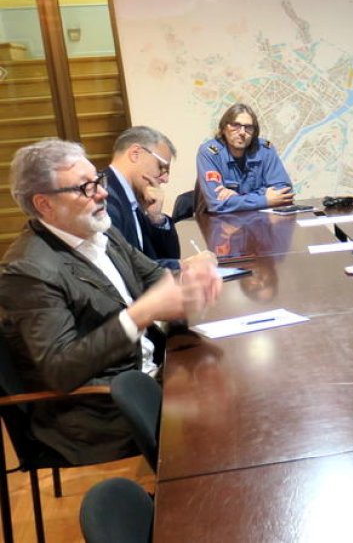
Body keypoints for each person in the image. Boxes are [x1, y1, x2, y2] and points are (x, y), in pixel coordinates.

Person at [0, 139, 221, 465]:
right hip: (99, 411)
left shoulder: (99, 229)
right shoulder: (28, 271)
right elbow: (60, 370)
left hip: (150, 372)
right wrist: (140, 315)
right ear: (44, 204)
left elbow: (153, 276)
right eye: (85, 188)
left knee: (235, 383)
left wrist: (189, 281)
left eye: (98, 180)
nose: (102, 193)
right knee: (222, 421)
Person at [103, 126, 181, 268]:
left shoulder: (134, 197)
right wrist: (185, 266)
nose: (165, 178)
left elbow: (165, 256)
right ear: (135, 153)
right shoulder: (103, 198)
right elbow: (125, 267)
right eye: (162, 167)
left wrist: (155, 218)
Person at [197, 102, 294, 213]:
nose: (242, 132)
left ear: (254, 132)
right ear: (224, 128)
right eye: (235, 125)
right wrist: (264, 199)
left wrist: (238, 197)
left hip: (257, 221)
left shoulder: (265, 149)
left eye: (248, 127)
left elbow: (284, 192)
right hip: (219, 223)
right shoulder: (210, 153)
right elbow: (216, 203)